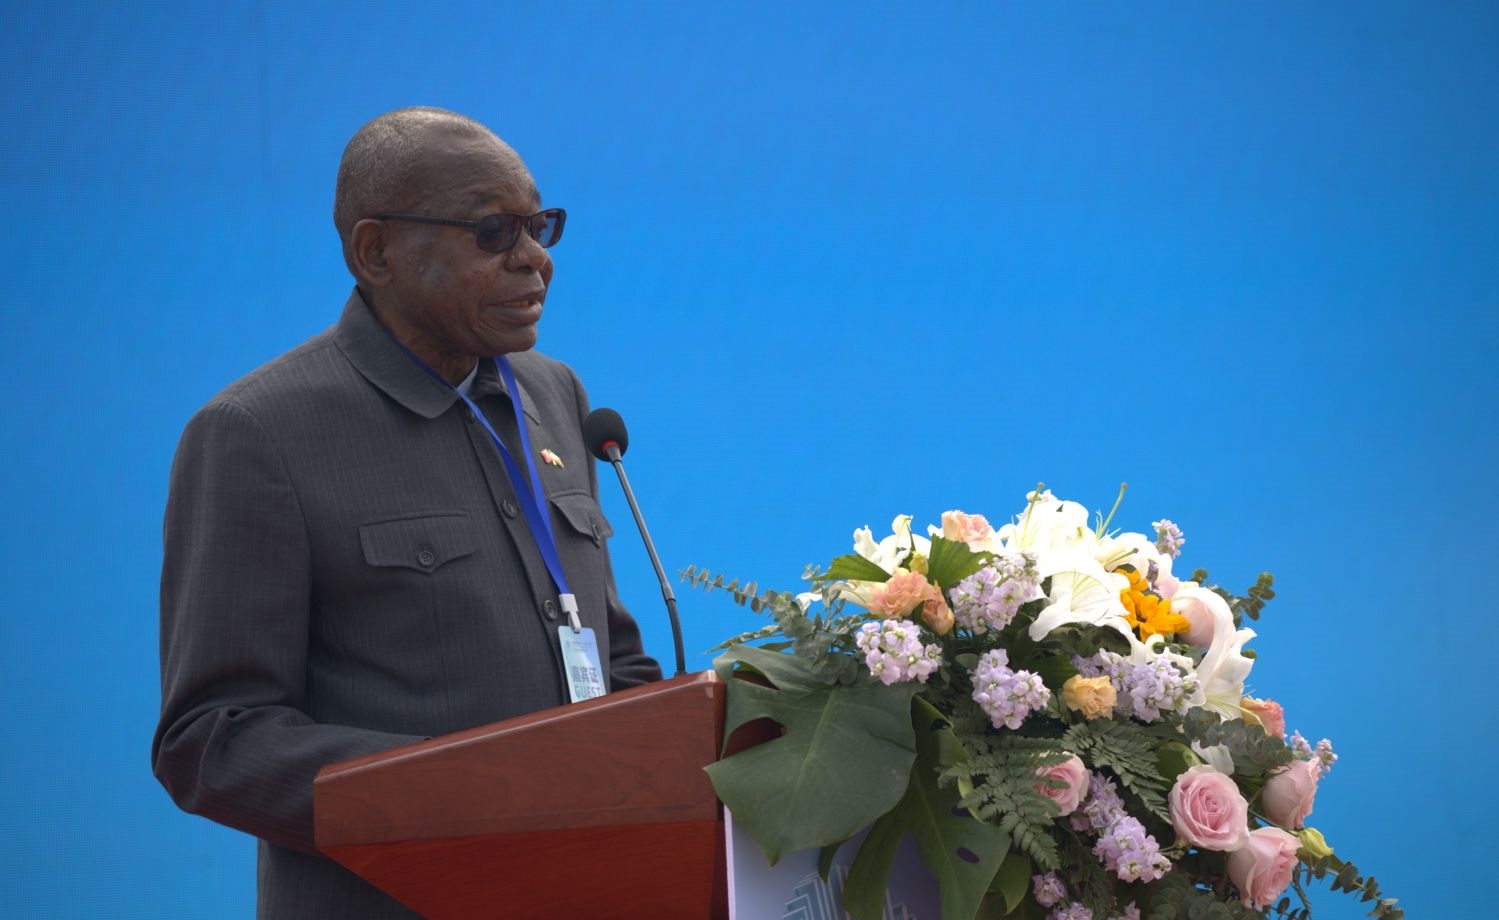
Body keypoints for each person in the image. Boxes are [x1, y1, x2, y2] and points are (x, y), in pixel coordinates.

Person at [152, 107, 663, 918]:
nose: (534, 259)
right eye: (493, 232)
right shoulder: (258, 434)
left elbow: (610, 660)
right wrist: (469, 795)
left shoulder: (554, 394)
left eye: (539, 227)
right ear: (376, 251)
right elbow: (213, 740)